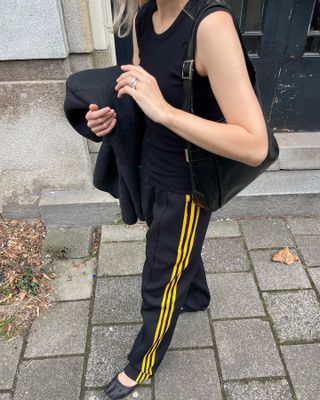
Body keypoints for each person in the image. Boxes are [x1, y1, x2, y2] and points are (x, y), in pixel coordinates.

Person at [86, 0, 269, 398]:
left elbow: (254, 144)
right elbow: (138, 94)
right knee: (173, 252)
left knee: (159, 280)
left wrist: (165, 112)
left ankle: (143, 360)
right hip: (147, 169)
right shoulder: (143, 17)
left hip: (185, 185)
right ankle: (197, 295)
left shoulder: (209, 26)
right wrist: (111, 116)